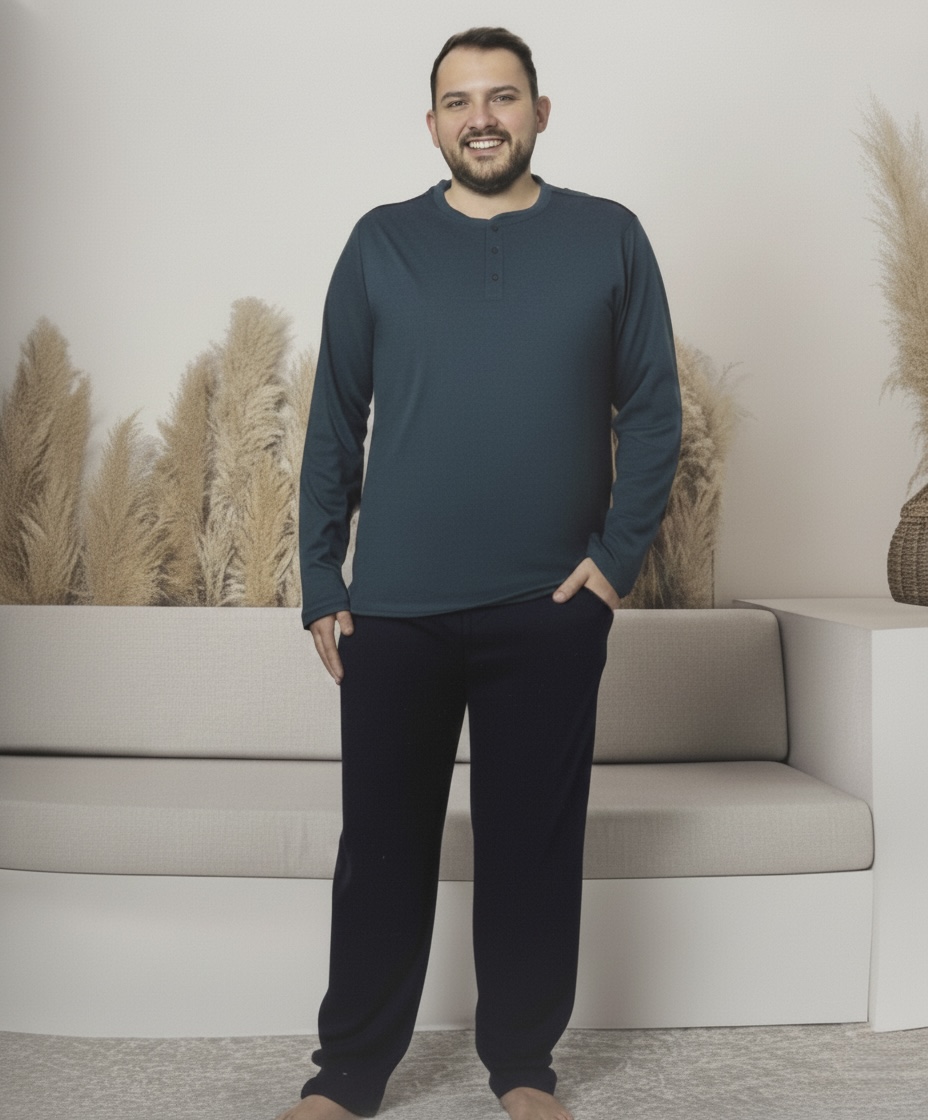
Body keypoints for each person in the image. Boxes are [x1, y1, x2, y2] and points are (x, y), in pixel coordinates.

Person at [278, 27, 681, 1120]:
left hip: (549, 607)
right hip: (393, 612)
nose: (482, 118)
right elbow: (333, 423)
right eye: (459, 102)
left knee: (531, 849)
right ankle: (349, 1071)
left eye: (503, 97)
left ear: (540, 113)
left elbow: (653, 411)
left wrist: (613, 565)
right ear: (432, 125)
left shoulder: (608, 237)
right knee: (381, 847)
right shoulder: (380, 243)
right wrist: (321, 579)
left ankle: (523, 1064)